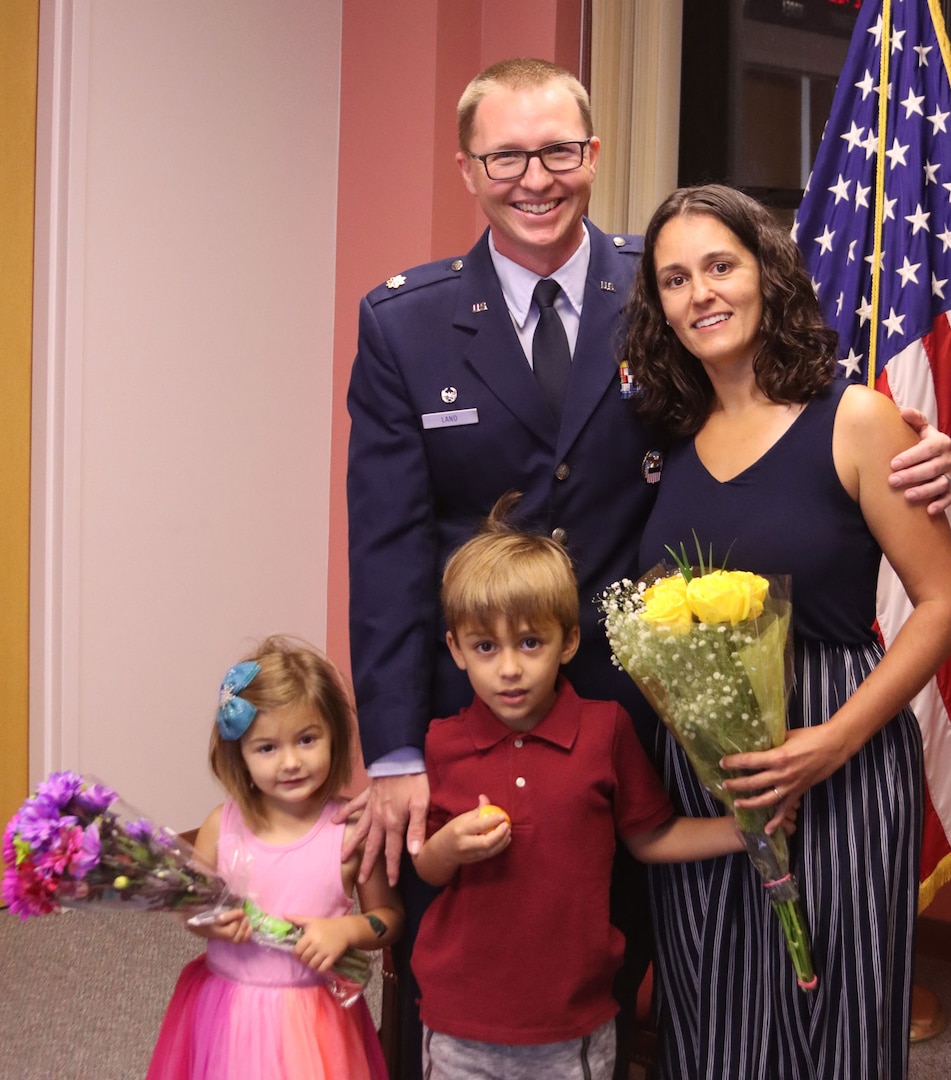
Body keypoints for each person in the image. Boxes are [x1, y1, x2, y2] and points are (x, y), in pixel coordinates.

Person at [343, 57, 951, 1080]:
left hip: (651, 716)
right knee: (486, 985)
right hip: (485, 720)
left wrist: (925, 441)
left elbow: (805, 433)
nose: (535, 177)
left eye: (560, 151)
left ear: (592, 154)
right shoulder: (406, 321)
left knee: (639, 993)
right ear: (468, 168)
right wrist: (398, 751)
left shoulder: (664, 285)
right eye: (506, 155)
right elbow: (389, 548)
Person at [622, 183, 951, 1080]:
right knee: (711, 1006)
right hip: (704, 763)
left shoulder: (855, 419)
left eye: (720, 265)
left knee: (834, 1013)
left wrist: (830, 741)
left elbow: (940, 602)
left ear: (767, 274)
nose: (701, 294)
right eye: (675, 279)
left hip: (837, 745)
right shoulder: (668, 434)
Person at [411, 494, 792, 1079]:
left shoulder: (603, 730)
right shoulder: (442, 743)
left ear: (568, 642)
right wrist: (450, 847)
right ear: (457, 651)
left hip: (573, 1022)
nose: (509, 668)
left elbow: (651, 836)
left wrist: (742, 829)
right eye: (486, 647)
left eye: (529, 643)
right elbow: (428, 868)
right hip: (460, 1019)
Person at [146, 636, 404, 1080]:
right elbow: (189, 908)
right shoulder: (219, 827)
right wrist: (203, 921)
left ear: (335, 738)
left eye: (307, 739)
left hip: (316, 1021)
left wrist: (345, 929)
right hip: (228, 1012)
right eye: (267, 748)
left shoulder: (348, 832)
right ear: (239, 756)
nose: (290, 762)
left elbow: (390, 917)